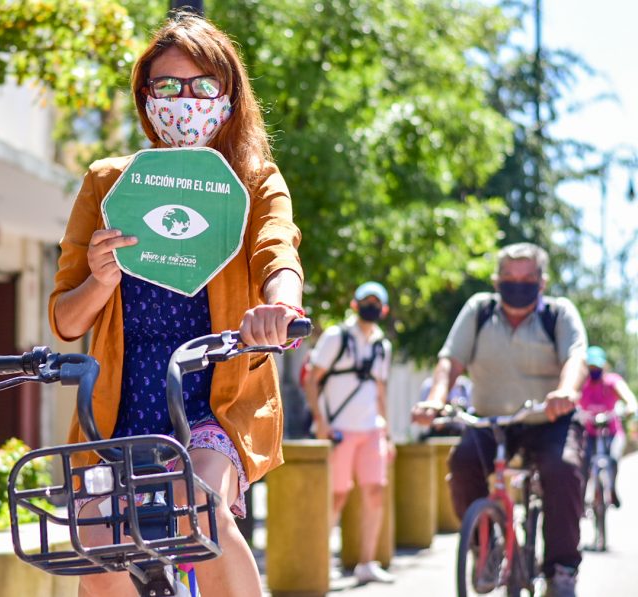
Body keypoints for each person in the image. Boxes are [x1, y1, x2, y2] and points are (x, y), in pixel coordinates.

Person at [48, 12, 303, 597]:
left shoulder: (254, 181)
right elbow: (66, 318)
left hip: (215, 402)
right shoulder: (107, 182)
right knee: (96, 538)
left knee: (198, 509)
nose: (182, 101)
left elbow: (277, 252)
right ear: (144, 97)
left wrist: (279, 309)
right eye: (165, 86)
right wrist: (100, 278)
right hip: (118, 406)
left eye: (201, 86)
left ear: (229, 96)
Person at [412, 242, 588, 597]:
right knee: (462, 463)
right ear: (496, 281)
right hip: (491, 420)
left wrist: (565, 392)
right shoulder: (479, 310)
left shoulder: (559, 313)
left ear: (542, 282)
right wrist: (435, 400)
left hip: (547, 420)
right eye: (508, 277)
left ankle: (561, 570)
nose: (517, 284)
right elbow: (451, 361)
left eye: (526, 277)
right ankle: (485, 547)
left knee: (563, 469)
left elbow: (576, 358)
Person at [303, 281, 395, 585]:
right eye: (365, 300)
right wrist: (321, 421)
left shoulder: (383, 345)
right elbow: (312, 380)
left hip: (372, 430)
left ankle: (367, 562)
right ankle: (322, 561)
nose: (370, 306)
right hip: (339, 429)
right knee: (337, 496)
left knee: (375, 492)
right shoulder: (336, 336)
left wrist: (389, 433)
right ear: (355, 305)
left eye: (376, 302)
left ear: (384, 310)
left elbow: (380, 390)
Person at [579, 345, 637, 508]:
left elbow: (628, 397)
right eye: (590, 367)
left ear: (603, 366)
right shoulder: (583, 384)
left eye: (596, 367)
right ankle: (583, 498)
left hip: (611, 432)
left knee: (613, 459)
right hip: (590, 432)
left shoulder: (611, 381)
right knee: (584, 462)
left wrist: (630, 406)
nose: (594, 370)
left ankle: (611, 489)